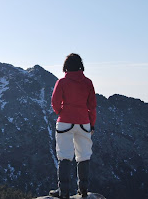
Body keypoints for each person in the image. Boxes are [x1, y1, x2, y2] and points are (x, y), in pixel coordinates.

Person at [49, 53, 97, 199]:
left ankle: (63, 192)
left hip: (65, 122)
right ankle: (83, 190)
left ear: (66, 66)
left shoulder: (62, 82)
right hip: (84, 122)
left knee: (64, 155)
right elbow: (92, 107)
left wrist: (61, 112)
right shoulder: (88, 82)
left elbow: (55, 103)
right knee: (83, 156)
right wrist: (92, 125)